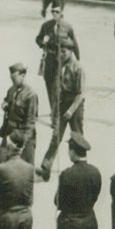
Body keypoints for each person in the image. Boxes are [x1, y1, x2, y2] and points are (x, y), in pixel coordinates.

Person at [38, 48, 85, 182]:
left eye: (64, 52)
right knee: (55, 137)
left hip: (75, 106)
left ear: (71, 51)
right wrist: (55, 109)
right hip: (62, 104)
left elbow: (81, 94)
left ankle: (80, 170)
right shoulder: (61, 66)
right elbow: (57, 89)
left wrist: (71, 110)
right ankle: (46, 167)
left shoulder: (78, 68)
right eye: (59, 52)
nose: (61, 54)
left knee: (78, 139)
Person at [35, 6, 79, 107]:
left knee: (60, 84)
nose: (55, 14)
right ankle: (53, 108)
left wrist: (78, 58)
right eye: (53, 11)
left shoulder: (67, 26)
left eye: (57, 12)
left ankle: (58, 109)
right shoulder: (46, 25)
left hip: (62, 58)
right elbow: (38, 38)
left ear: (61, 14)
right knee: (49, 82)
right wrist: (42, 43)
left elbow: (74, 42)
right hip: (50, 57)